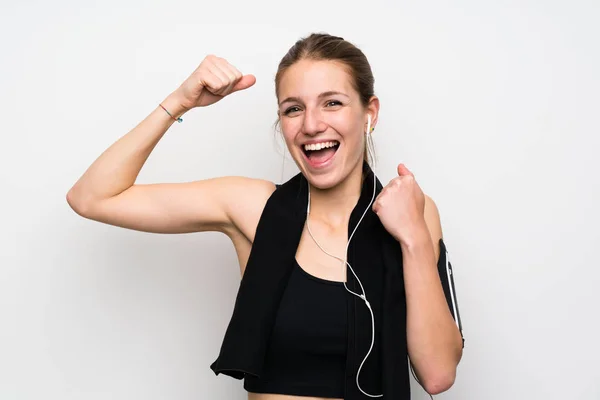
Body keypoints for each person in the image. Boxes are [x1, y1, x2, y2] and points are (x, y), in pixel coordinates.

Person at [67, 32, 464, 400]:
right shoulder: (253, 207)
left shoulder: (415, 211)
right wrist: (180, 101)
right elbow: (92, 197)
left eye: (332, 102)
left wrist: (412, 237)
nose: (311, 125)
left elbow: (437, 374)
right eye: (293, 109)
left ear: (369, 113)